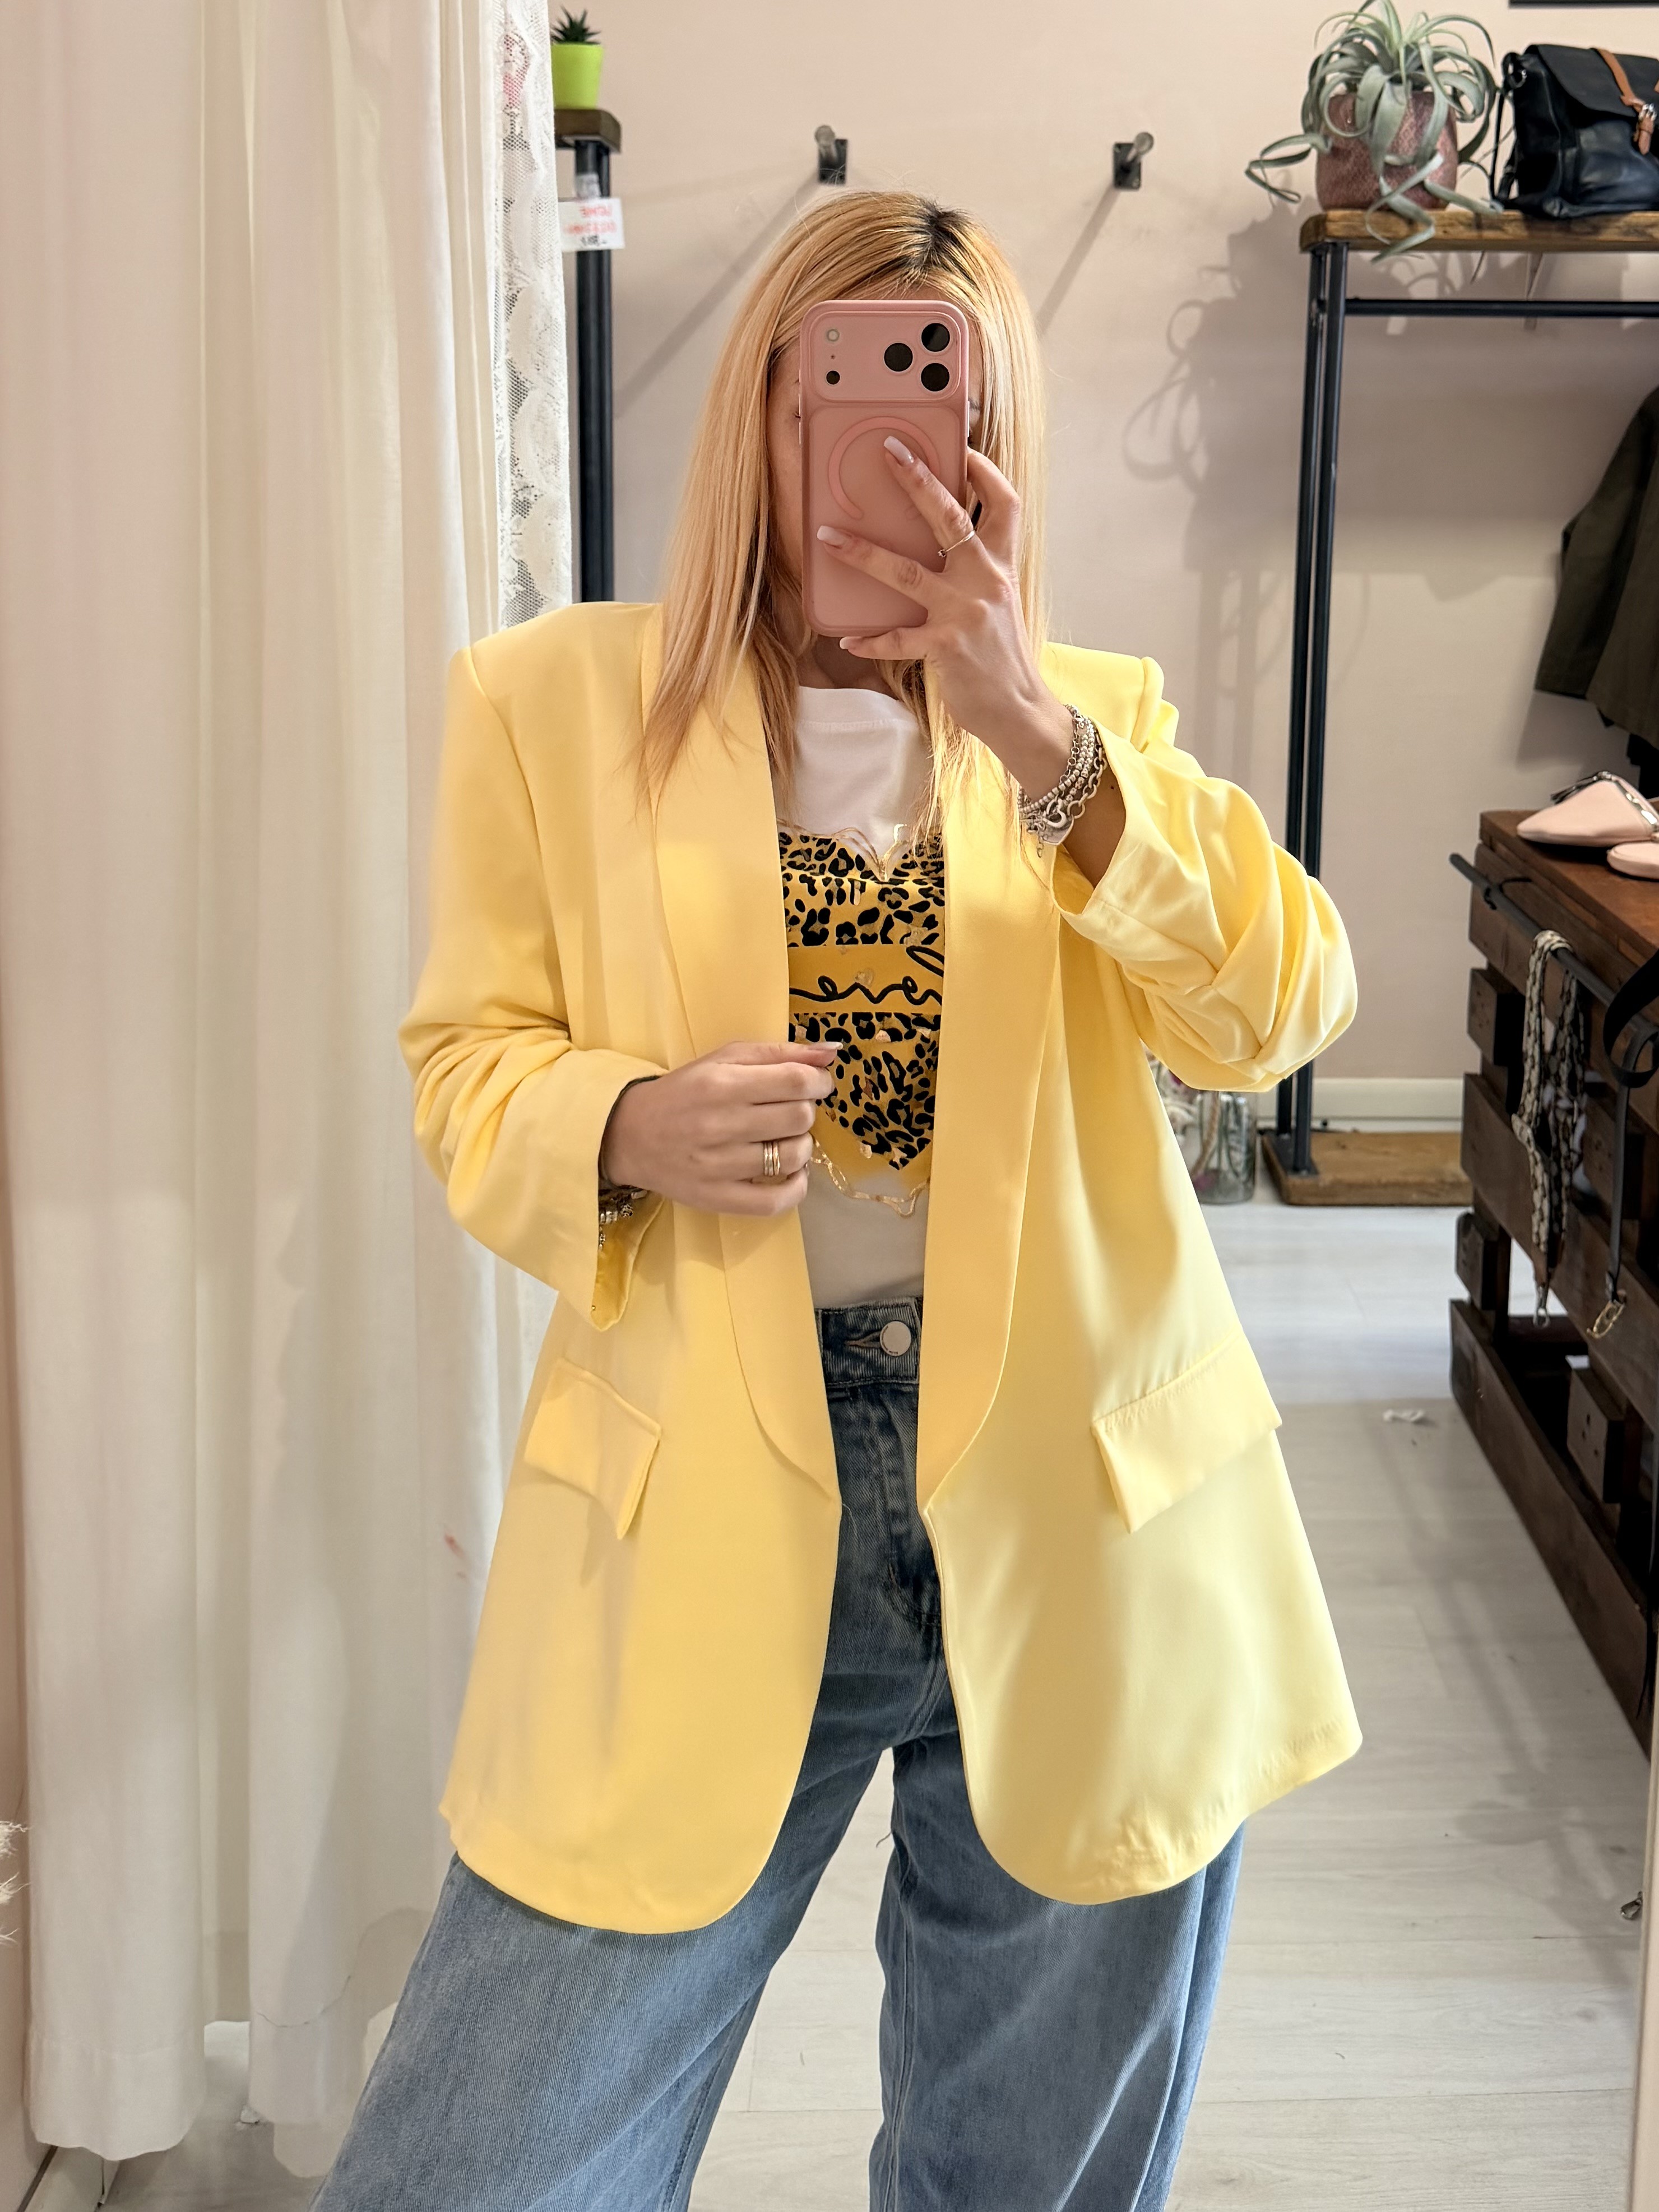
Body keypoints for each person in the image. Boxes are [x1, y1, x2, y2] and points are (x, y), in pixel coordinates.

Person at [313, 190, 1360, 2212]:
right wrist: (627, 1120)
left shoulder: (1091, 717)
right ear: (760, 415)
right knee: (480, 2168)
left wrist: (1034, 729)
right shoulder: (550, 704)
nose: (883, 446)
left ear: (994, 434)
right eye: (838, 390)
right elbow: (466, 1063)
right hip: (711, 1490)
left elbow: (1278, 1011)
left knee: (1020, 2178)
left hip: (1082, 1515)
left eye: (936, 395)